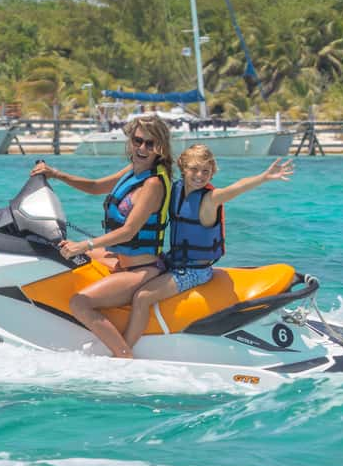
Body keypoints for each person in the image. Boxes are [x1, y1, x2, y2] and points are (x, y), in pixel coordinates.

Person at [121, 145, 295, 352]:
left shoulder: (210, 200)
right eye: (194, 169)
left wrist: (264, 177)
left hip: (195, 271)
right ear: (183, 167)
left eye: (206, 171)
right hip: (171, 260)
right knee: (126, 273)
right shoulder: (173, 190)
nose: (200, 176)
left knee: (142, 297)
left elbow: (238, 187)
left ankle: (123, 350)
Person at [30, 115, 173, 358]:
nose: (142, 148)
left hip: (141, 271)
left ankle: (123, 356)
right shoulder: (133, 170)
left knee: (79, 302)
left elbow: (128, 231)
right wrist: (55, 174)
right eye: (138, 140)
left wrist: (83, 244)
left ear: (161, 148)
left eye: (150, 144)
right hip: (119, 259)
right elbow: (97, 186)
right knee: (58, 250)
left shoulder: (153, 184)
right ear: (129, 140)